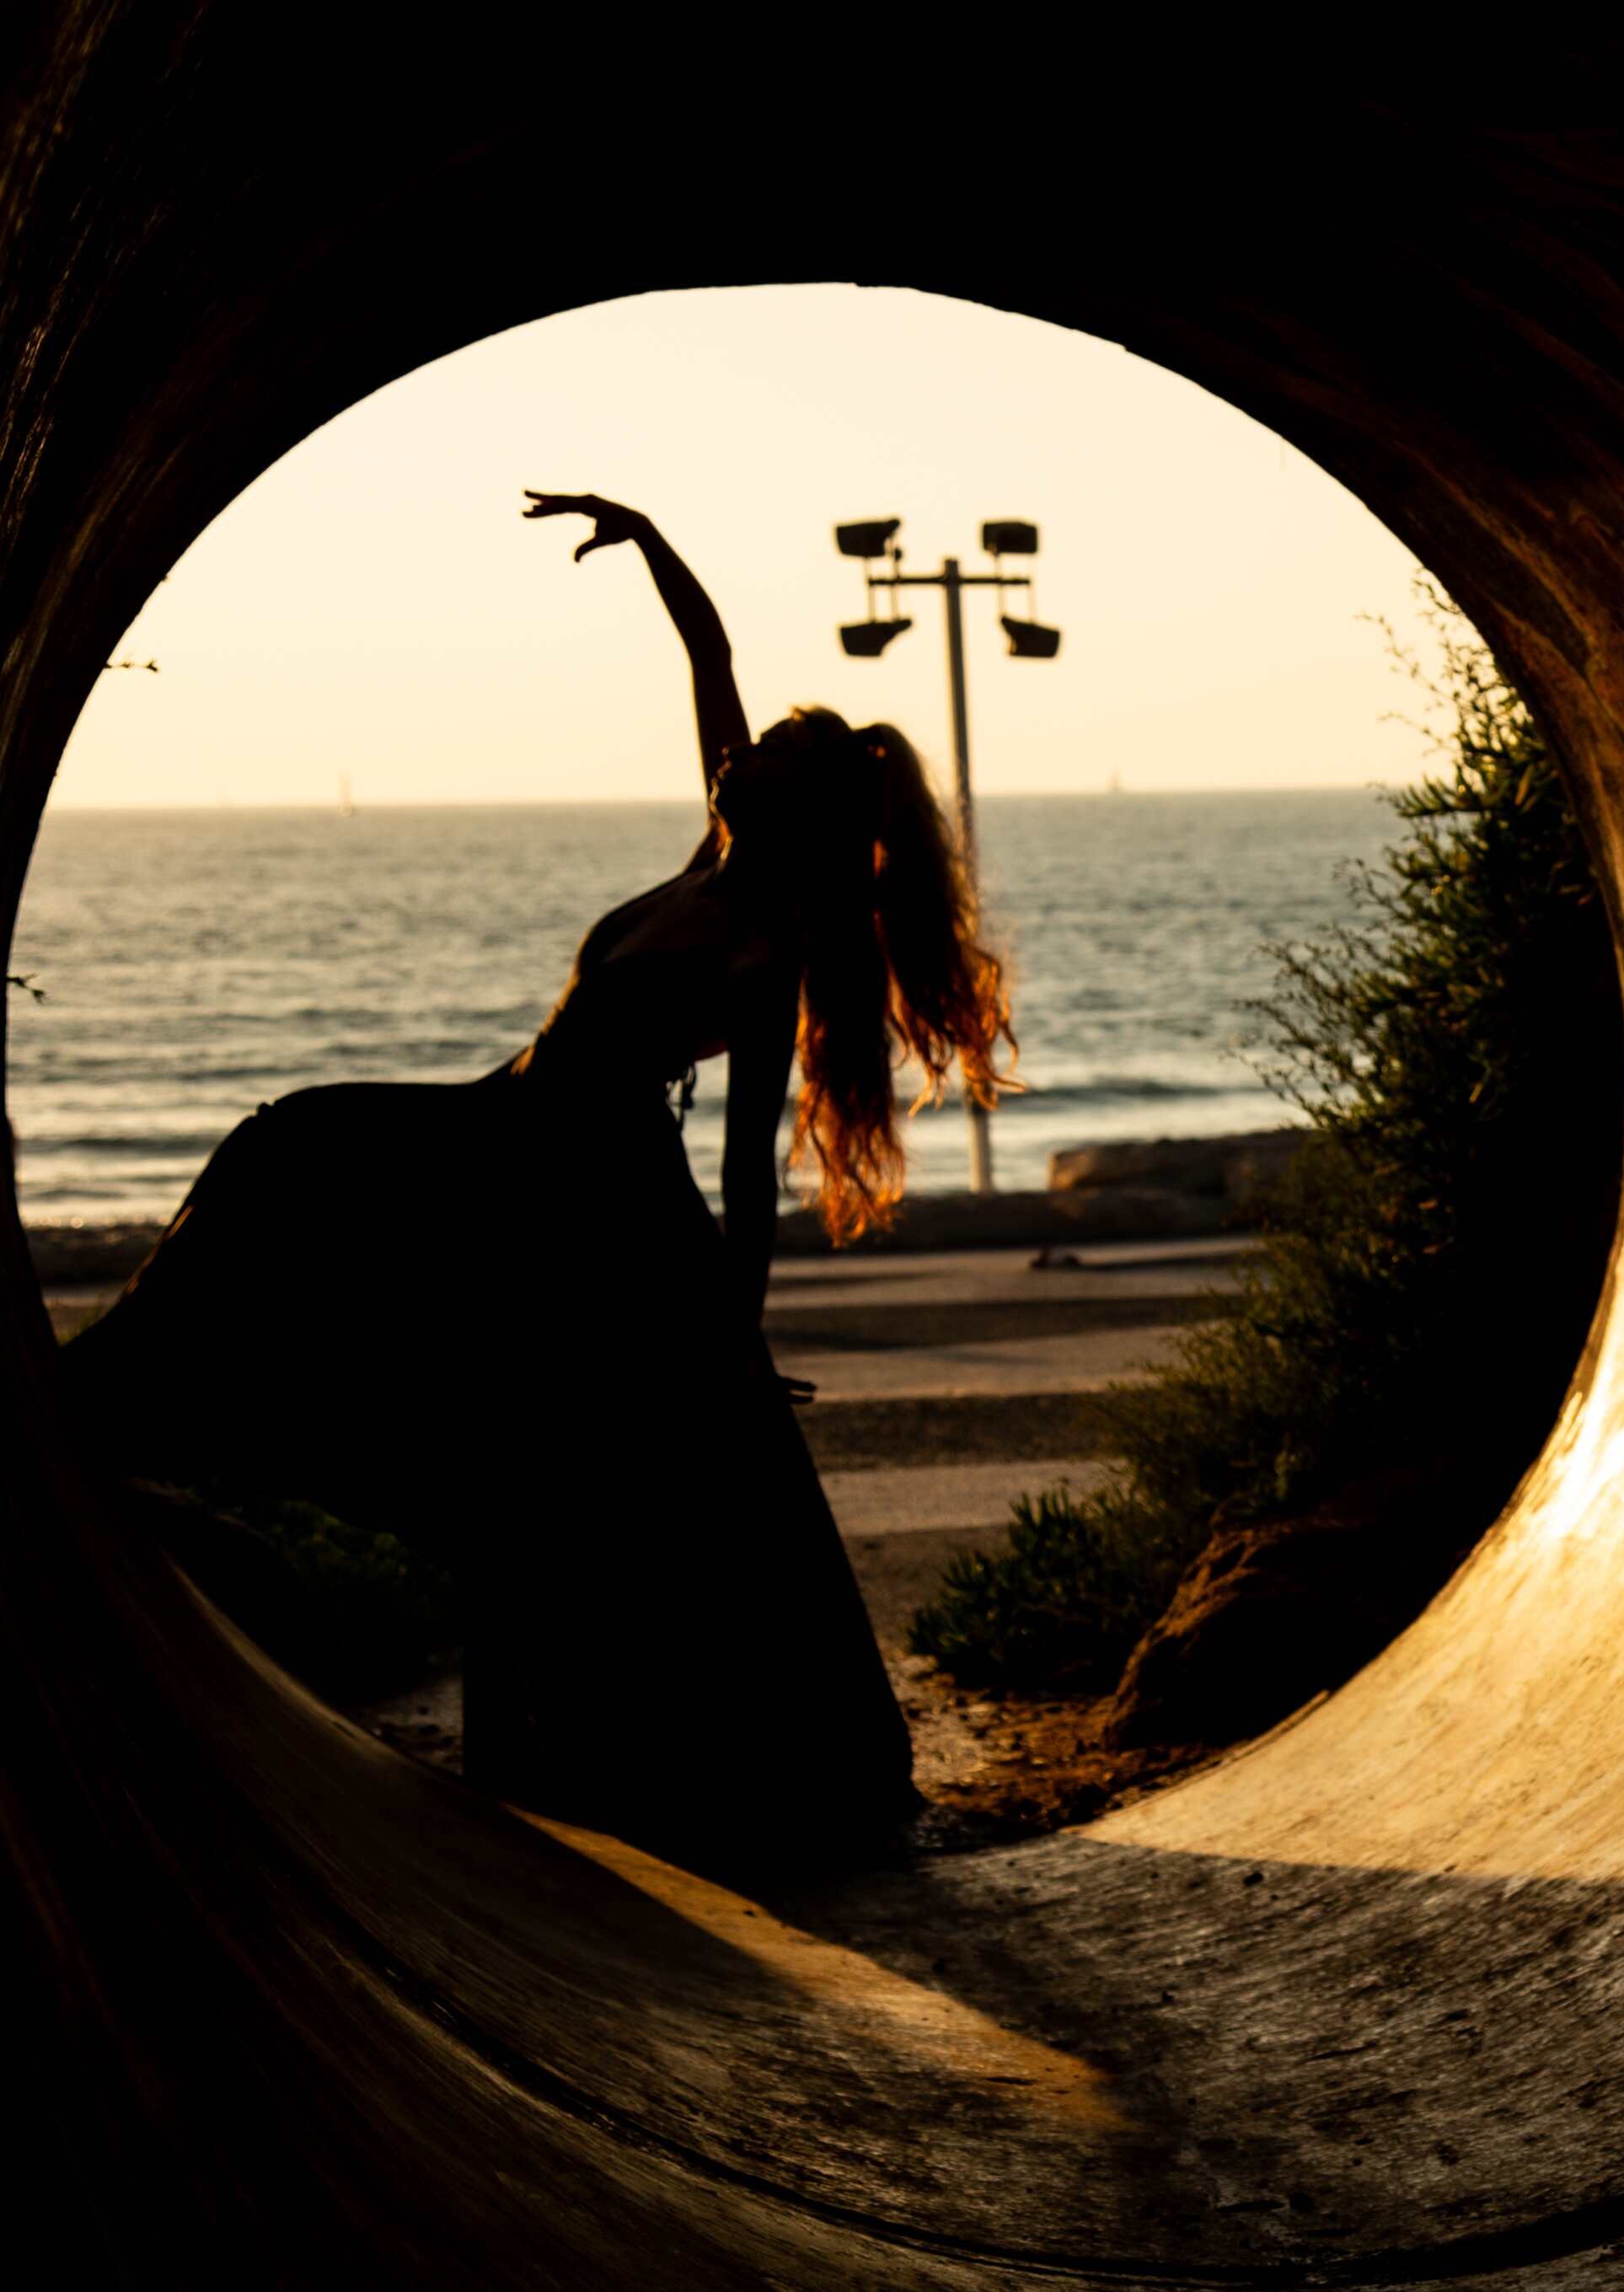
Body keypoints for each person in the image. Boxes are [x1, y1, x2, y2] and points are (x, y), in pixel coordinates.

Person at [63, 491, 1010, 1877]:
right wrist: (649, 539)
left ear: (790, 810)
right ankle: (116, 1387)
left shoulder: (767, 946)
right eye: (746, 758)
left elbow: (746, 1173)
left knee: (549, 1431)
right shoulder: (715, 857)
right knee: (293, 1137)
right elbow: (713, 659)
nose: (738, 763)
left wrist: (735, 1336)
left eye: (769, 765)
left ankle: (145, 1415)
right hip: (504, 1118)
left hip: (585, 1186)